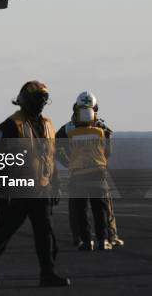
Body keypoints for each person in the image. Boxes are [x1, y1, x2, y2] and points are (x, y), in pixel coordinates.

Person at [0, 81, 70, 288]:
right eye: (37, 100)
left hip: (41, 190)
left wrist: (55, 184)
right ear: (25, 101)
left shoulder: (48, 124)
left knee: (46, 237)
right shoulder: (9, 126)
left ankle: (47, 274)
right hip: (17, 191)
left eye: (43, 101)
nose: (41, 104)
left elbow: (50, 157)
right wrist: (4, 189)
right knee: (3, 233)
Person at [56, 92, 117, 251]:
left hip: (77, 173)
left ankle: (83, 239)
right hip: (97, 172)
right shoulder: (100, 128)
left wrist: (67, 162)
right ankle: (104, 239)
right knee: (101, 209)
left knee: (79, 209)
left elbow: (55, 145)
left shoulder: (69, 128)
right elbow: (108, 146)